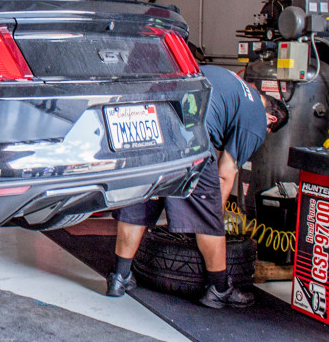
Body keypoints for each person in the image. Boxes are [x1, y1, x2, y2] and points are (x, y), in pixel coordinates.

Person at [105, 65, 289, 308]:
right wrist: (215, 211)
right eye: (268, 130)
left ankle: (120, 277)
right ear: (271, 119)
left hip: (148, 123)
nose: (263, 133)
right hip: (188, 138)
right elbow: (225, 173)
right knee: (209, 220)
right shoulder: (256, 118)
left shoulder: (235, 83)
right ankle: (220, 289)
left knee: (139, 205)